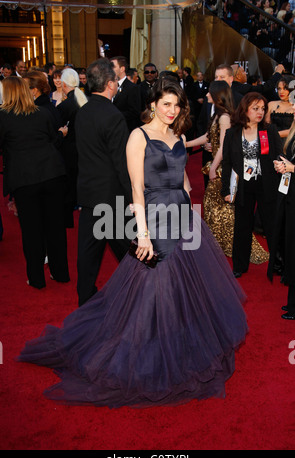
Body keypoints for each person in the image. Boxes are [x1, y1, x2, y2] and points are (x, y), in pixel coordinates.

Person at [17, 77, 248, 408]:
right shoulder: (137, 137)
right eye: (165, 104)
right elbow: (136, 190)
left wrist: (189, 209)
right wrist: (141, 233)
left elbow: (183, 179)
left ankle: (177, 349)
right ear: (152, 104)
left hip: (182, 219)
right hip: (153, 219)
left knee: (182, 288)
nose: (171, 111)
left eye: (177, 105)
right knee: (154, 288)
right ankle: (150, 354)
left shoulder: (178, 135)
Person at [187, 81, 269, 264]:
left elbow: (224, 146)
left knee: (220, 208)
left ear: (217, 96)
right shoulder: (218, 115)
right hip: (217, 163)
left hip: (224, 166)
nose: (207, 96)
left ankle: (228, 244)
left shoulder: (224, 117)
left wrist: (214, 167)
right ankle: (219, 243)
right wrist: (186, 144)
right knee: (215, 207)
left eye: (209, 93)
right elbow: (208, 137)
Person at [0, 77, 69, 288]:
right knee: (55, 227)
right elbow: (52, 141)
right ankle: (61, 273)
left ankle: (37, 279)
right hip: (52, 175)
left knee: (31, 230)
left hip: (25, 179)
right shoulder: (43, 113)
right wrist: (61, 133)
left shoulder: (2, 117)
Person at [74, 58, 132, 307]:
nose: (118, 86)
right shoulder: (114, 116)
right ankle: (142, 291)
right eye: (116, 82)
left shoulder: (82, 112)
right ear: (109, 84)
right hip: (111, 197)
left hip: (89, 192)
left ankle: (85, 296)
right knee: (129, 249)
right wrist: (134, 199)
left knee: (88, 251)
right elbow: (122, 163)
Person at [221, 92, 282, 278]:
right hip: (243, 185)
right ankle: (240, 265)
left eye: (263, 109)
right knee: (242, 225)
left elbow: (278, 157)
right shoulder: (232, 133)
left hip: (266, 183)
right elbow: (228, 163)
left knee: (272, 224)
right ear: (245, 109)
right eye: (256, 108)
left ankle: (278, 263)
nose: (260, 112)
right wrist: (226, 189)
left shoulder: (269, 131)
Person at [269, 102, 295, 319]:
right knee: (290, 246)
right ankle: (292, 302)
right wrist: (283, 164)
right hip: (290, 195)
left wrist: (292, 168)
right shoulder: (294, 128)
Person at [57, 68, 88, 228]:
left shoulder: (65, 105)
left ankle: (68, 219)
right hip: (84, 149)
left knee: (68, 185)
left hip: (69, 151)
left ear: (63, 84)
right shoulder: (84, 100)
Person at [110, 56, 141, 133]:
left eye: (113, 66)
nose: (110, 69)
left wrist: (113, 115)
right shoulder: (107, 86)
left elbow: (135, 112)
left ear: (122, 69)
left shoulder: (132, 88)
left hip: (125, 131)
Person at [265, 75, 294, 143]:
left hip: (289, 143)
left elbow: (292, 131)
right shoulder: (271, 104)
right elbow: (265, 125)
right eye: (279, 88)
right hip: (271, 142)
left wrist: (272, 134)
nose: (281, 92)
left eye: (285, 88)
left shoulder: (294, 107)